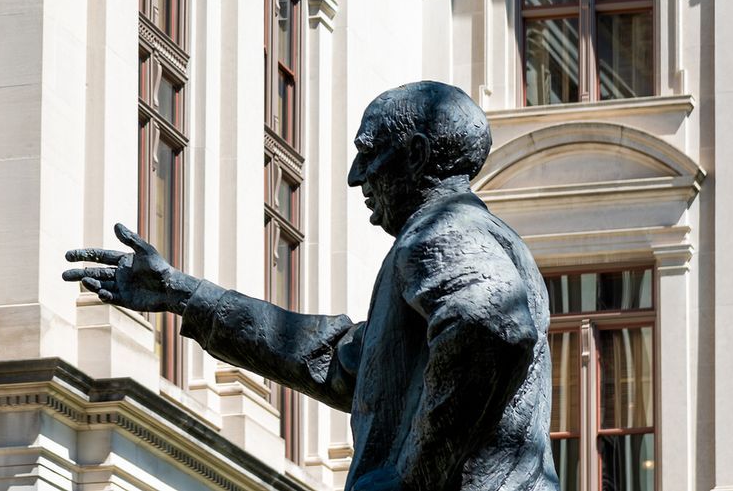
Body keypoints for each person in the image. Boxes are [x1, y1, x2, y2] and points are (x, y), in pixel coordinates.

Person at [63, 81, 557, 491]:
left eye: (368, 153)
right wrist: (184, 294)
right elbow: (343, 360)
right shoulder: (470, 237)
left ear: (415, 155)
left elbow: (490, 322)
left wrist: (413, 477)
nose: (355, 176)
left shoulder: (442, 233)